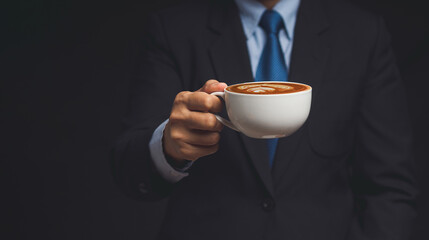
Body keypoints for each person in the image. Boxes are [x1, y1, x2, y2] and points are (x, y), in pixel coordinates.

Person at [112, 0, 418, 239]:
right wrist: (168, 147)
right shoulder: (174, 28)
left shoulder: (362, 33)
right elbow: (128, 168)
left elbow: (390, 187)